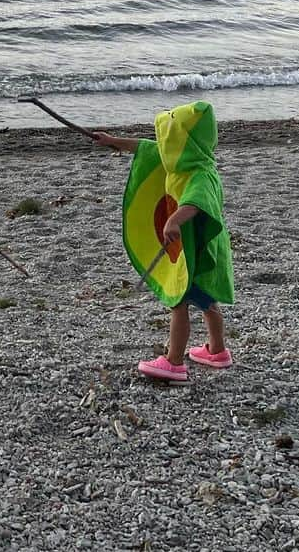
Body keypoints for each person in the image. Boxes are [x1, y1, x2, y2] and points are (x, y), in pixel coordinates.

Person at [93, 101, 235, 385]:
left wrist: (174, 220)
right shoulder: (183, 159)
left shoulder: (200, 173)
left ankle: (174, 363)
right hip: (193, 249)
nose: (165, 142)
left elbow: (197, 202)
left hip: (196, 250)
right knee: (207, 301)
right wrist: (112, 141)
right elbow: (146, 147)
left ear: (185, 141)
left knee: (179, 303)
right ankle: (217, 352)